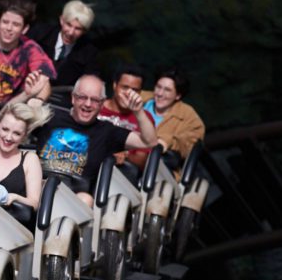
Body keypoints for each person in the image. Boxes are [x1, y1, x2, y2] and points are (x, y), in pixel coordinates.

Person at [35, 74, 157, 207]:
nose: (87, 104)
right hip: (36, 186)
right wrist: (32, 97)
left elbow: (149, 142)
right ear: (73, 98)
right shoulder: (50, 116)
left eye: (94, 100)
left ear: (101, 104)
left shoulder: (107, 131)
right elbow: (11, 118)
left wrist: (138, 111)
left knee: (85, 200)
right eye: (82, 97)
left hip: (72, 198)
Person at [97, 63, 155, 175]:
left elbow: (143, 160)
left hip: (121, 175)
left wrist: (126, 155)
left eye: (135, 90)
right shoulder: (95, 106)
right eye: (125, 87)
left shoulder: (144, 117)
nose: (129, 93)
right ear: (115, 85)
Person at [140, 68, 205, 165]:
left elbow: (192, 141)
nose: (160, 93)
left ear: (178, 95)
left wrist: (166, 141)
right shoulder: (139, 97)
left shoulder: (188, 116)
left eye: (167, 90)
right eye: (158, 87)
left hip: (157, 167)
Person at [28, 0, 98, 88]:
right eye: (68, 25)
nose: (71, 32)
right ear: (61, 20)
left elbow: (90, 85)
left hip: (61, 98)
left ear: (85, 31)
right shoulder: (39, 34)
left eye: (78, 29)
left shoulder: (88, 53)